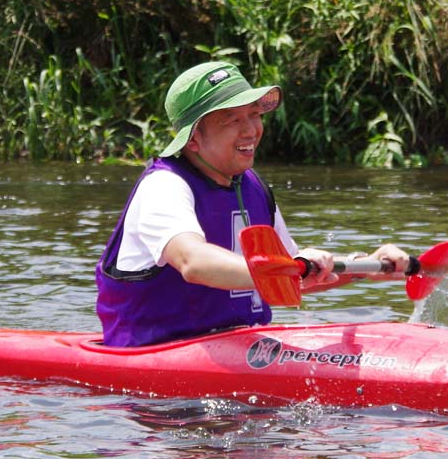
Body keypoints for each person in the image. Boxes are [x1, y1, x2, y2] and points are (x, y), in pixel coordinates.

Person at [95, 60, 409, 347]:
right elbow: (194, 262)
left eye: (254, 115)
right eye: (231, 119)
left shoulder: (253, 186)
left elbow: (290, 281)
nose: (251, 130)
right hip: (157, 364)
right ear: (193, 140)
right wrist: (290, 268)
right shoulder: (164, 186)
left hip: (242, 349)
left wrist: (364, 267)